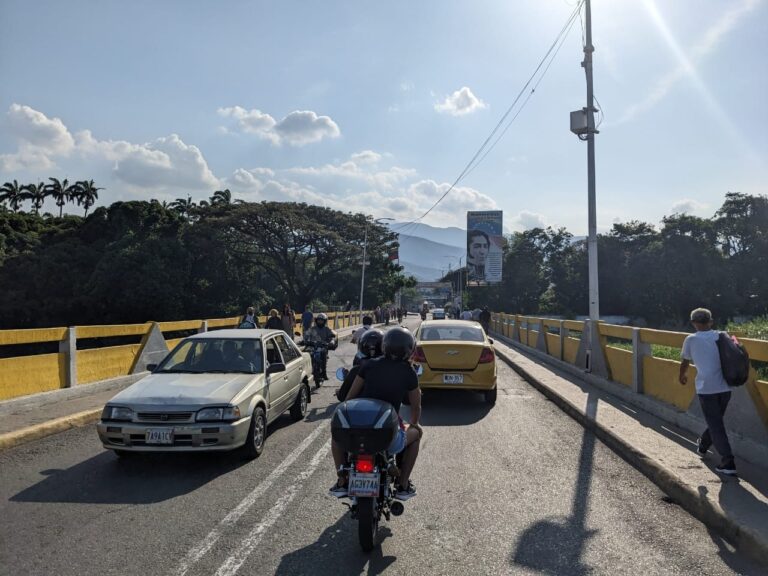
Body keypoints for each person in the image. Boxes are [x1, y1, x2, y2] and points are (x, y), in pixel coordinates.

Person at [330, 327, 422, 500]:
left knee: (336, 437)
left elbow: (349, 398)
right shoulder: (409, 372)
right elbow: (416, 407)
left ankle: (342, 480)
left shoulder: (368, 365)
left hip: (357, 432)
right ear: (409, 349)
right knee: (416, 435)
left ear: (385, 346)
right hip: (387, 436)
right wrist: (414, 424)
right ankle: (402, 485)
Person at [678, 308, 737, 476]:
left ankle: (728, 461)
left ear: (693, 323)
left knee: (715, 424)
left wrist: (682, 376)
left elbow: (685, 361)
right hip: (726, 388)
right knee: (715, 422)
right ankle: (703, 445)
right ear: (710, 321)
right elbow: (737, 348)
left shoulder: (690, 339)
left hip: (706, 389)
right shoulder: (723, 335)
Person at [338, 329, 384, 401]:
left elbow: (342, 397)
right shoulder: (392, 369)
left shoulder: (356, 370)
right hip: (385, 410)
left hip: (358, 409)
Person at [302, 312, 338, 379]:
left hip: (323, 346)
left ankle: (324, 372)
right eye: (319, 320)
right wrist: (303, 340)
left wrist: (332, 341)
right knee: (306, 354)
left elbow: (332, 337)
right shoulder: (312, 329)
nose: (320, 321)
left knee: (323, 354)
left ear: (324, 321)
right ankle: (307, 371)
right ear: (316, 320)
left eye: (321, 320)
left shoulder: (327, 329)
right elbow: (306, 335)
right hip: (313, 346)